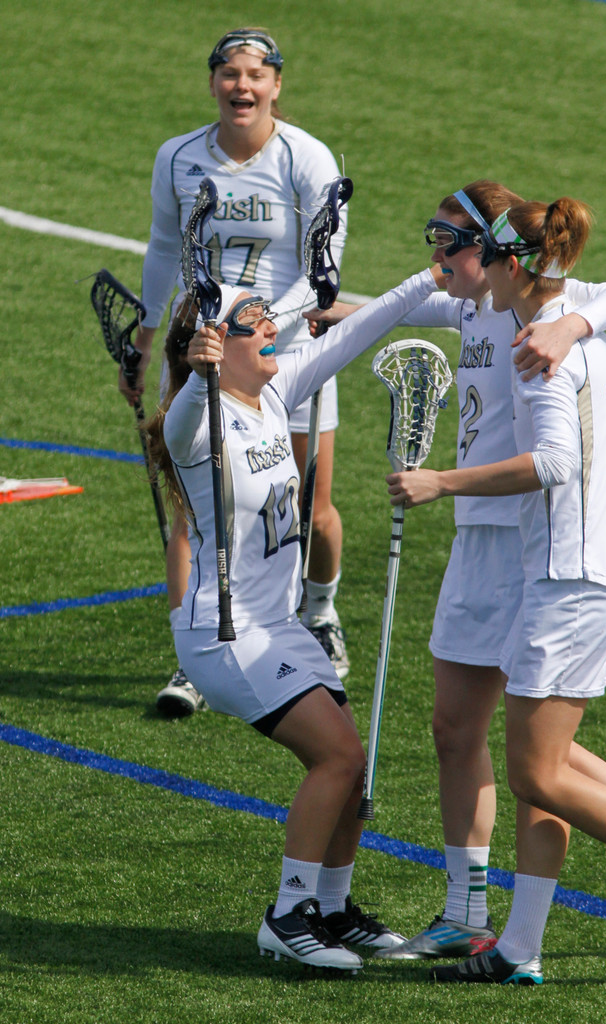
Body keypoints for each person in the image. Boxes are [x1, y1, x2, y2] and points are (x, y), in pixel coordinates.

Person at [307, 180, 606, 966]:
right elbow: (407, 307)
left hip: (537, 547)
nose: (434, 258)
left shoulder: (551, 318)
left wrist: (573, 326)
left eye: (446, 241)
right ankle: (469, 912)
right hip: (482, 538)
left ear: (492, 248)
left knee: (542, 756)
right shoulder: (473, 301)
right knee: (456, 730)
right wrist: (337, 317)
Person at [146, 268, 447, 970]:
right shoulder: (202, 418)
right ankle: (288, 915)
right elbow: (186, 416)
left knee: (355, 765)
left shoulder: (275, 392)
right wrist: (198, 372)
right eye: (260, 322)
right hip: (224, 635)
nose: (277, 328)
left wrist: (425, 278)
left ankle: (334, 909)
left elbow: (359, 328)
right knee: (335, 757)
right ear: (220, 344)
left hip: (277, 625)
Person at [121, 27, 350, 717]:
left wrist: (256, 323)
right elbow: (164, 249)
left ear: (277, 84)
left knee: (312, 504)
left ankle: (319, 611)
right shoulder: (178, 159)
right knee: (194, 508)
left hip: (288, 352)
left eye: (256, 74)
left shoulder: (307, 160)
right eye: (229, 73)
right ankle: (198, 648)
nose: (241, 86)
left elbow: (324, 279)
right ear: (213, 82)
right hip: (203, 354)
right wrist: (145, 339)